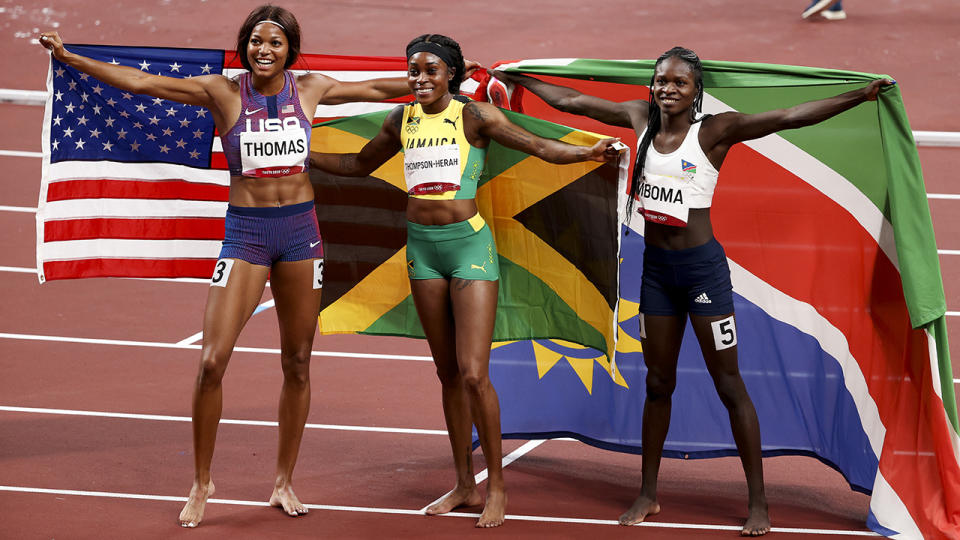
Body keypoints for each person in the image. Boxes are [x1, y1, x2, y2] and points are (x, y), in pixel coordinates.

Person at [39, 5, 414, 528]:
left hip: (301, 235)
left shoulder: (310, 88)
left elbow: (379, 90)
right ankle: (201, 481)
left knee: (299, 361)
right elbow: (143, 83)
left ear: (290, 51)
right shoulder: (223, 92)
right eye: (256, 41)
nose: (265, 50)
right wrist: (70, 57)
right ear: (245, 46)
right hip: (246, 235)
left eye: (275, 43)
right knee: (212, 361)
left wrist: (448, 77)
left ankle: (283, 480)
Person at [490, 47, 890, 536]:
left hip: (702, 274)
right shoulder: (639, 118)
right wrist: (518, 77)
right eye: (661, 81)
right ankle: (648, 493)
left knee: (730, 384)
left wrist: (859, 95)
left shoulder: (714, 132)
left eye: (678, 82)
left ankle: (758, 501)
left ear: (695, 89)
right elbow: (572, 100)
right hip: (657, 273)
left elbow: (787, 116)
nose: (667, 89)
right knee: (657, 384)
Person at [308, 34, 620, 528]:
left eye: (431, 70)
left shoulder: (475, 117)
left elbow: (538, 146)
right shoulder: (400, 119)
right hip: (422, 252)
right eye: (413, 71)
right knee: (447, 373)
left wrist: (587, 155)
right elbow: (356, 164)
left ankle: (496, 485)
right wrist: (295, 154)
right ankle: (463, 483)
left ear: (451, 74)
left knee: (475, 372)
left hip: (469, 248)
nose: (420, 79)